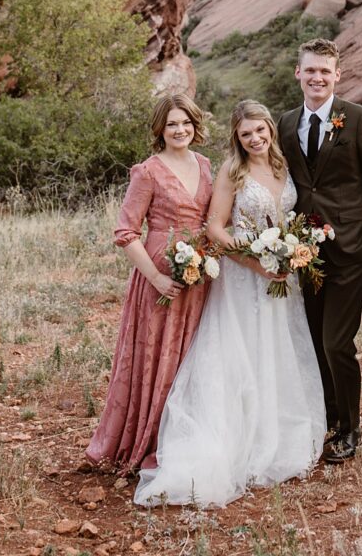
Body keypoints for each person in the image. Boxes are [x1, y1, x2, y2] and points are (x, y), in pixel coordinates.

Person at [134, 100, 326, 508]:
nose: (255, 139)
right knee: (240, 356)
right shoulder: (231, 170)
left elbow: (288, 218)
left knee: (277, 353)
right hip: (244, 279)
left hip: (281, 276)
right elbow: (215, 230)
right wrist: (257, 255)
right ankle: (234, 443)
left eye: (260, 131)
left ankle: (276, 438)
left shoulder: (283, 166)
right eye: (246, 134)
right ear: (236, 139)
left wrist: (288, 253)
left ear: (271, 129)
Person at [85, 93, 213, 471]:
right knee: (157, 355)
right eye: (172, 123)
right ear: (160, 129)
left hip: (199, 275)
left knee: (191, 353)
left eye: (186, 122)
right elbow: (126, 232)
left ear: (195, 126)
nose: (180, 130)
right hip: (158, 275)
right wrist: (156, 277)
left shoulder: (205, 165)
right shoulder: (149, 171)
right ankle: (146, 437)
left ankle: (182, 436)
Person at [277, 38, 362, 462]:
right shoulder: (286, 123)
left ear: (337, 76)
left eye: (325, 71)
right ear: (298, 74)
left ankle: (350, 429)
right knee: (313, 337)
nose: (318, 77)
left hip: (352, 249)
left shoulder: (358, 119)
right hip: (306, 251)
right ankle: (325, 415)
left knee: (336, 342)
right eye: (311, 70)